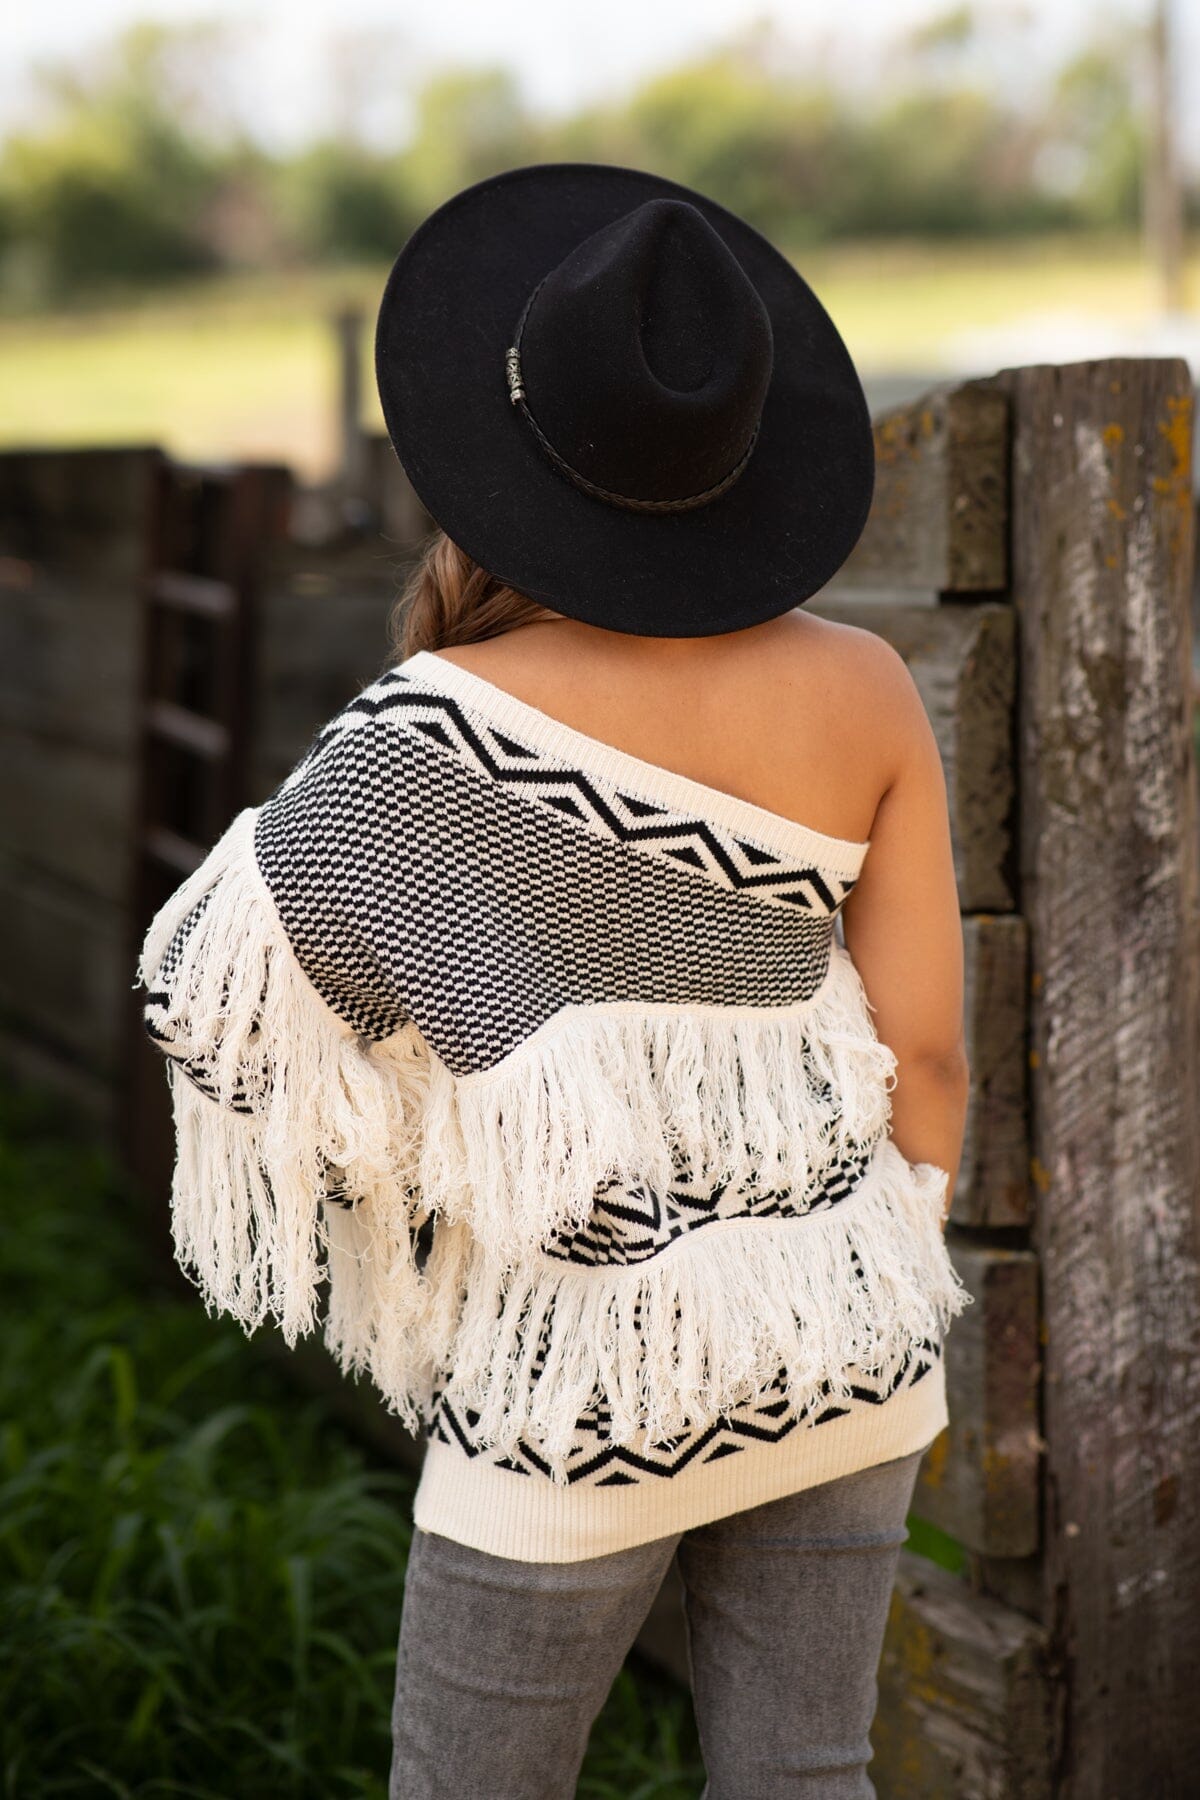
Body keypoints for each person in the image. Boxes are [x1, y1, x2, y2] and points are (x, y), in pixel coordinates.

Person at [136, 163, 974, 1799]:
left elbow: (213, 992)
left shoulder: (426, 733)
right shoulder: (865, 686)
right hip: (849, 1336)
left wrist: (429, 1167)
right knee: (807, 1773)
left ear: (509, 454)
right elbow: (928, 1054)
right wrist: (849, 1268)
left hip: (574, 1375)